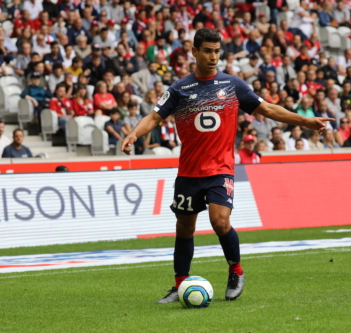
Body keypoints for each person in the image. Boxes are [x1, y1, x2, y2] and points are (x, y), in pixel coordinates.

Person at [120, 28, 332, 303]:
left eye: (217, 51)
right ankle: (180, 284)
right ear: (194, 52)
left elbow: (267, 109)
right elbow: (154, 116)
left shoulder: (233, 85)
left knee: (220, 221)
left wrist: (305, 121)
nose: (213, 56)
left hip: (220, 169)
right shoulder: (179, 89)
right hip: (188, 171)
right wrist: (134, 134)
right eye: (207, 51)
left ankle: (236, 270)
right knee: (184, 228)